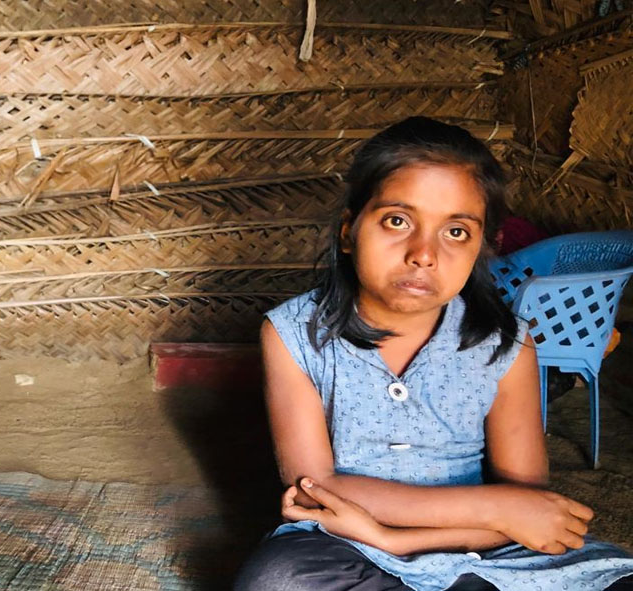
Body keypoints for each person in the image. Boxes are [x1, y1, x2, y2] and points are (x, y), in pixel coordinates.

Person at [234, 117, 633, 591]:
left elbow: (528, 506)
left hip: (486, 547)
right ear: (348, 232)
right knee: (280, 580)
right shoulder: (294, 334)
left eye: (457, 232)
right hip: (342, 540)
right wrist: (490, 507)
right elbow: (314, 491)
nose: (423, 253)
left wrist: (398, 537)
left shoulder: (509, 343)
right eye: (397, 221)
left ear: (483, 248)